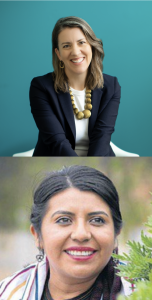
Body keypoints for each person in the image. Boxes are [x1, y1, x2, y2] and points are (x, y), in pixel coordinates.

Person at [0, 166, 132, 300]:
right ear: (37, 235)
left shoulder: (141, 291)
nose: (81, 234)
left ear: (116, 231)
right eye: (64, 220)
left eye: (97, 220)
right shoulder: (8, 293)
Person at [30, 17, 120, 156]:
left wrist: (90, 171)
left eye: (81, 43)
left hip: (99, 159)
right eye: (66, 46)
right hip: (57, 160)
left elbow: (102, 136)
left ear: (91, 46)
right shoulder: (41, 87)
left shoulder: (111, 86)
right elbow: (56, 141)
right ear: (58, 54)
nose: (76, 52)